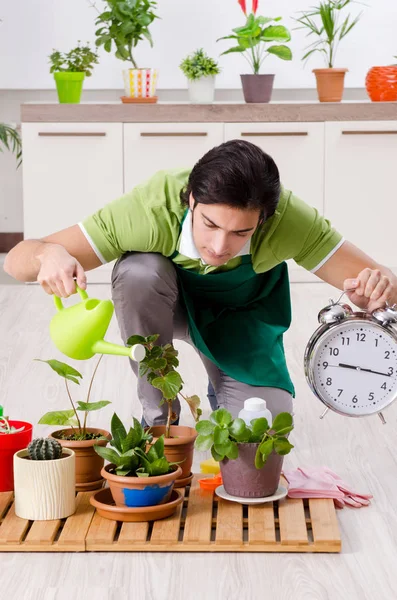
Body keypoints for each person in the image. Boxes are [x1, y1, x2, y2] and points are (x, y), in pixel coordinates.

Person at [4, 140, 396, 427]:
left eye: (241, 232)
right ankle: (160, 421)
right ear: (190, 199)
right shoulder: (150, 209)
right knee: (139, 271)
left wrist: (377, 290)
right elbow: (19, 262)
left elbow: (383, 282)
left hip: (240, 318)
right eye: (210, 224)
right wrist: (48, 255)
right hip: (164, 305)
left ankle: (224, 386)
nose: (219, 246)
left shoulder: (289, 220)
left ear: (265, 219)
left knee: (262, 427)